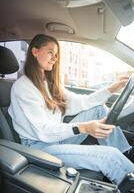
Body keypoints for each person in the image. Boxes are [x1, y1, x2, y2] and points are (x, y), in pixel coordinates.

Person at [8, 34, 134, 186]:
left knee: (99, 109)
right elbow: (42, 131)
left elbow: (82, 102)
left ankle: (125, 156)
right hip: (39, 146)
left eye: (56, 55)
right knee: (109, 156)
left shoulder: (49, 84)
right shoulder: (23, 87)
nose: (54, 58)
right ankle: (124, 171)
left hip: (56, 139)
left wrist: (111, 89)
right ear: (35, 52)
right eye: (50, 52)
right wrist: (84, 127)